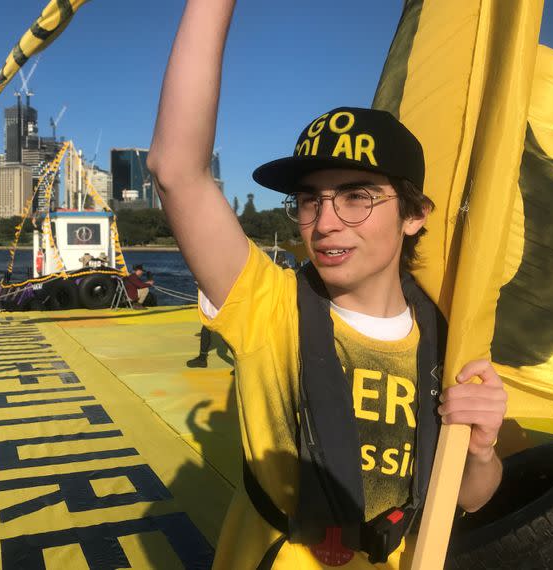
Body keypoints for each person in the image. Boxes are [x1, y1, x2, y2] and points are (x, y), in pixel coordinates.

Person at [147, 2, 507, 568]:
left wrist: (483, 450)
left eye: (357, 196)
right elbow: (176, 170)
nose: (326, 220)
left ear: (414, 214)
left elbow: (469, 496)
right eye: (310, 199)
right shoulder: (266, 307)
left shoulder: (449, 336)